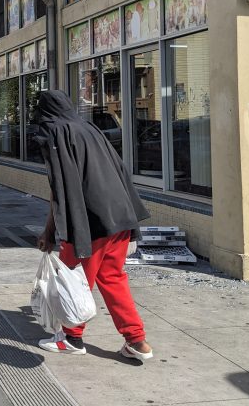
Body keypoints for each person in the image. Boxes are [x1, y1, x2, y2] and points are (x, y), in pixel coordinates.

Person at [34, 90, 154, 362]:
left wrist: (49, 231)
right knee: (112, 278)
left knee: (73, 278)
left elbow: (60, 190)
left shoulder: (56, 134)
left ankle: (72, 338)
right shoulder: (89, 128)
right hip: (119, 216)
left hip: (90, 221)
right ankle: (137, 341)